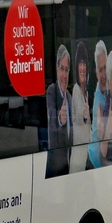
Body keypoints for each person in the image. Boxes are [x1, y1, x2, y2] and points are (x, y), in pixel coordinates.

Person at [46, 44, 72, 177]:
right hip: (55, 167)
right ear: (56, 69)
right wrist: (59, 119)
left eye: (66, 70)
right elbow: (50, 117)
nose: (64, 75)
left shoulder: (70, 97)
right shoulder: (51, 91)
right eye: (61, 69)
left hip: (68, 165)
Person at [70, 41, 92, 173]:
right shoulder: (76, 90)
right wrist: (84, 116)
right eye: (80, 64)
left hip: (84, 152)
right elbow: (79, 118)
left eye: (84, 64)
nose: (82, 68)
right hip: (78, 154)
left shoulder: (86, 92)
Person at [87, 40, 108, 169]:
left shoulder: (107, 90)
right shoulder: (99, 100)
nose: (104, 73)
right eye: (101, 70)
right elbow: (102, 133)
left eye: (106, 67)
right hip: (98, 158)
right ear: (96, 73)